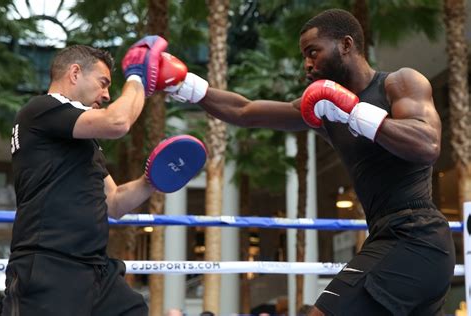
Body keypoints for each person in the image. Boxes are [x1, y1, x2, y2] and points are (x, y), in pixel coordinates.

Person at [159, 8, 456, 316]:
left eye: (313, 52)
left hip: (415, 236)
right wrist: (186, 86)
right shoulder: (325, 112)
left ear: (346, 45)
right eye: (304, 56)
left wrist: (355, 112)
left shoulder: (399, 84)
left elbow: (428, 144)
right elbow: (245, 111)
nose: (307, 65)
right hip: (394, 239)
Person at [0, 36, 168, 315]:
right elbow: (118, 121)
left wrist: (153, 180)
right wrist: (136, 77)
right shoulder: (41, 110)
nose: (106, 95)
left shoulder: (82, 140)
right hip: (48, 265)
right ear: (75, 73)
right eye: (103, 83)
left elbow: (114, 203)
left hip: (95, 271)